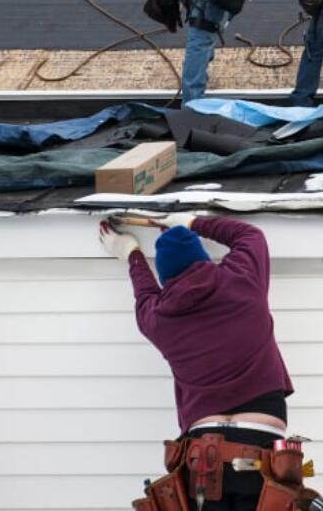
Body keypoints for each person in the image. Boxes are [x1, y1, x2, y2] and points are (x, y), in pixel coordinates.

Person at [98, 214, 306, 510]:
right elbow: (250, 236)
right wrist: (194, 221)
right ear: (204, 260)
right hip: (264, 452)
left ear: (166, 280)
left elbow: (144, 293)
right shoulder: (242, 279)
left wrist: (131, 252)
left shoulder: (158, 318)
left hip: (203, 461)